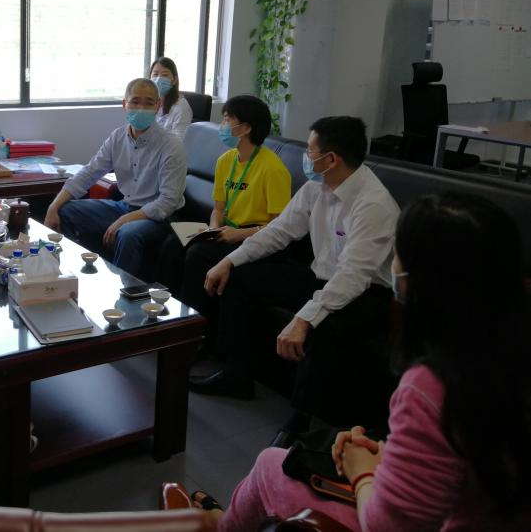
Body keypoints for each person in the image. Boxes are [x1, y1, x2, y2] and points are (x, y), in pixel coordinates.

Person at [200, 193, 531, 531]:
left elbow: (386, 525)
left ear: (424, 279)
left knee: (270, 464)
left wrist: (361, 470)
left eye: (398, 253)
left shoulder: (431, 384)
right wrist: (389, 455)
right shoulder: (506, 359)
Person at [190, 117, 398, 442]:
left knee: (322, 324)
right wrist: (229, 261)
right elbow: (280, 231)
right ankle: (235, 374)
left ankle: (298, 422)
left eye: (310, 151)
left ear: (331, 159)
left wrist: (304, 319)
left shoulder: (373, 205)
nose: (306, 157)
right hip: (320, 277)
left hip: (366, 294)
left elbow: (353, 276)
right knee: (238, 277)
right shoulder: (317, 186)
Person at [158, 95, 291, 328]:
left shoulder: (273, 169)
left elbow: (278, 227)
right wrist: (212, 229)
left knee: (198, 254)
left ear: (246, 128)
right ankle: (164, 312)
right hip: (224, 230)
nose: (222, 126)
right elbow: (218, 208)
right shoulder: (226, 160)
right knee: (173, 243)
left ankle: (193, 328)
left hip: (255, 237)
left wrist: (238, 234)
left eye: (228, 120)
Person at [44, 77, 186, 279]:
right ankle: (76, 276)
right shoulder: (117, 137)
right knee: (66, 211)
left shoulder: (171, 145)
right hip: (125, 207)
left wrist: (125, 219)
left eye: (148, 103)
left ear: (158, 106)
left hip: (160, 217)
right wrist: (53, 206)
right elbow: (89, 173)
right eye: (135, 101)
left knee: (127, 234)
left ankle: (123, 291)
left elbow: (168, 202)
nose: (141, 108)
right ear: (124, 104)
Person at [149, 57, 192, 139]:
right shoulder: (149, 102)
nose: (159, 79)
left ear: (174, 80)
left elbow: (179, 141)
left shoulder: (181, 107)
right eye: (155, 74)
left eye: (165, 75)